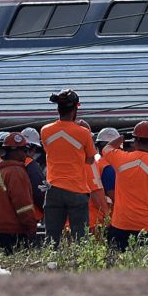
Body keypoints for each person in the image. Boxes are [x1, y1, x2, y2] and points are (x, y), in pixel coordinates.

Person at [101, 121, 148, 251]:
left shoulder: (120, 159)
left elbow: (106, 149)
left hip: (121, 224)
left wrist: (123, 137)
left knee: (120, 265)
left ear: (135, 141)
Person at [40, 89, 100, 245]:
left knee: (51, 239)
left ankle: (50, 266)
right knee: (80, 238)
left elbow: (50, 152)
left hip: (53, 189)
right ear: (75, 110)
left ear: (57, 109)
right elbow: (91, 159)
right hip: (77, 190)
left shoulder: (45, 131)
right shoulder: (84, 133)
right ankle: (79, 267)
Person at [0, 133, 37, 253]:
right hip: (13, 230)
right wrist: (31, 228)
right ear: (14, 151)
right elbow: (23, 205)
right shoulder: (16, 172)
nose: (26, 154)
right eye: (24, 150)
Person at [75, 120, 109, 233]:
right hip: (90, 222)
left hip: (68, 221)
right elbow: (96, 190)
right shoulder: (88, 161)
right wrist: (107, 216)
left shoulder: (63, 160)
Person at [93, 127, 120, 228]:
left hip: (95, 217)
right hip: (105, 219)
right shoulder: (109, 168)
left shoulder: (96, 164)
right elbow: (115, 197)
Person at [21, 127, 46, 223]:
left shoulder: (6, 163)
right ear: (34, 148)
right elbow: (39, 192)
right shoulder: (31, 166)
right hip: (31, 215)